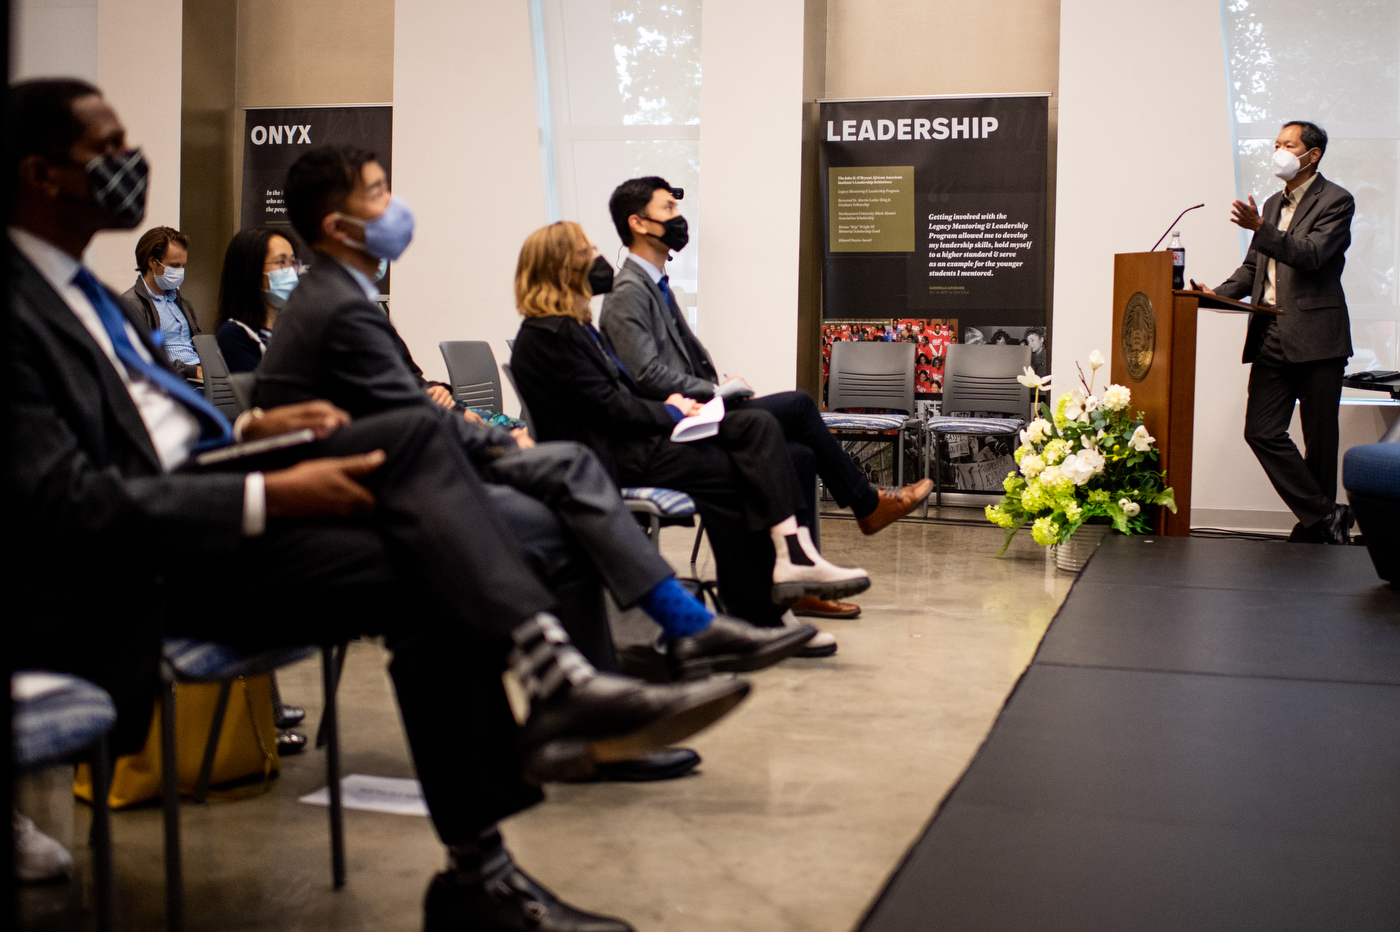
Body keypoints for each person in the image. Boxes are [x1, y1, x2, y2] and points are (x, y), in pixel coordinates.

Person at [6, 77, 757, 930]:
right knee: (428, 475)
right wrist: (262, 491)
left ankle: (512, 799)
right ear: (38, 173)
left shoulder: (88, 295)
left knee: (418, 467)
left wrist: (252, 428)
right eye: (103, 150)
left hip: (206, 509)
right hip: (136, 575)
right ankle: (538, 737)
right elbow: (59, 505)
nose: (127, 163)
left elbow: (150, 440)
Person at [252, 145, 817, 717]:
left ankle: (621, 687)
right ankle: (659, 653)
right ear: (337, 226)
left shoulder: (341, 299)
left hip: (398, 468)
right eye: (377, 194)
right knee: (568, 476)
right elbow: (412, 422)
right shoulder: (343, 307)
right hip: (368, 487)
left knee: (571, 487)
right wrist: (503, 438)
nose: (394, 206)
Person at [511, 221, 874, 640]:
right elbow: (610, 409)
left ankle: (774, 590)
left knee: (757, 433)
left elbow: (613, 399)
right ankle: (762, 609)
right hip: (608, 460)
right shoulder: (549, 338)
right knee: (740, 471)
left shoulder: (571, 328)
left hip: (626, 445)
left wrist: (677, 408)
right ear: (560, 267)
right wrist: (670, 412)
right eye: (586, 252)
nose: (597, 258)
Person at [598, 177, 932, 621]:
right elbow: (645, 373)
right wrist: (711, 392)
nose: (679, 220)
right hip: (675, 424)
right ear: (637, 223)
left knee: (798, 455)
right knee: (796, 406)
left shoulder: (656, 284)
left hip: (697, 411)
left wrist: (716, 384)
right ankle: (868, 505)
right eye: (667, 211)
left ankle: (801, 583)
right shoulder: (628, 294)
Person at [1195, 120, 1354, 544]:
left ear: (1312, 154)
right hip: (1270, 335)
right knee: (1261, 431)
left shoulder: (1336, 200)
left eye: (1289, 144)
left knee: (1320, 440)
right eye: (1277, 143)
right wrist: (1213, 295)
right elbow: (1253, 269)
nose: (1279, 151)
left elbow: (1312, 255)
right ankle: (1324, 514)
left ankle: (1316, 527)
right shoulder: (1269, 204)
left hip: (1319, 336)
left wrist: (1261, 230)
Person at [119, 224, 202, 380]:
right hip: (173, 381)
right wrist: (191, 371)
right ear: (152, 262)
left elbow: (197, 345)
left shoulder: (182, 303)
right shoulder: (131, 304)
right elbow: (144, 358)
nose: (180, 271)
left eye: (183, 265)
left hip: (200, 377)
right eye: (174, 265)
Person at [215, 226, 299, 372]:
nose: (291, 271)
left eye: (292, 263)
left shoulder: (292, 327)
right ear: (252, 269)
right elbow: (267, 391)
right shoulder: (235, 333)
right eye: (281, 262)